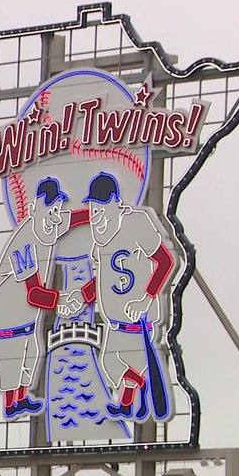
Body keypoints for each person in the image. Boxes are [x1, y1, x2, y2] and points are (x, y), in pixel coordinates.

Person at [78, 171, 180, 422]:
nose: (96, 216)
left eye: (101, 209)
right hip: (114, 321)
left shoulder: (136, 222)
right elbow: (103, 279)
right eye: (93, 210)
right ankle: (132, 399)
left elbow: (166, 261)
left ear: (115, 202)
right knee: (111, 364)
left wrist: (145, 299)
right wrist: (82, 297)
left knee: (129, 362)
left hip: (139, 321)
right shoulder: (99, 239)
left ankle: (135, 397)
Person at [0, 176, 87, 419]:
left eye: (57, 209)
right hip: (7, 320)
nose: (56, 215)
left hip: (27, 320)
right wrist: (61, 300)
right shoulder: (24, 242)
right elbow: (34, 293)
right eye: (51, 209)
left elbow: (74, 219)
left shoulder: (49, 224)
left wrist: (98, 213)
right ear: (34, 208)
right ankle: (11, 403)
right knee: (12, 361)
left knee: (31, 355)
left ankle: (21, 399)